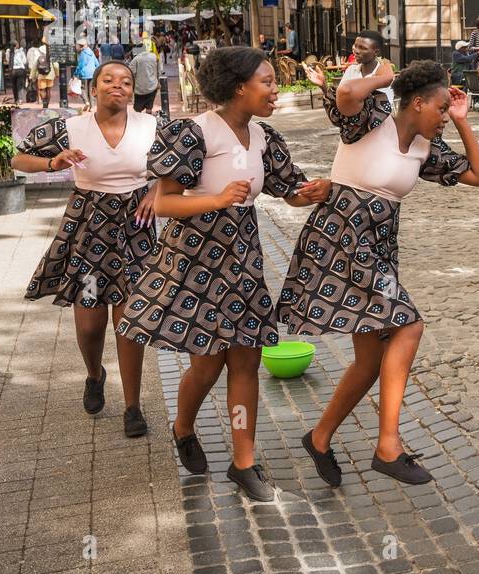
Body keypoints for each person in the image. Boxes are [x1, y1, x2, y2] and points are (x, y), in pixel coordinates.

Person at [116, 47, 330, 501]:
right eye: (267, 82)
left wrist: (309, 194)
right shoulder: (194, 133)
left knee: (246, 359)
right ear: (238, 88)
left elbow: (286, 190)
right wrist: (216, 199)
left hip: (243, 257)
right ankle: (183, 426)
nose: (275, 90)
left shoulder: (264, 137)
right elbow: (164, 202)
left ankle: (243, 461)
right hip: (194, 257)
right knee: (206, 364)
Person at [282, 61, 479, 486]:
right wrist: (384, 76)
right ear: (416, 102)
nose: (443, 118)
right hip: (340, 240)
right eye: (440, 110)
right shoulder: (370, 120)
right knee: (409, 326)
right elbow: (344, 96)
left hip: (377, 249)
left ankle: (319, 437)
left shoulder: (424, 149)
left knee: (368, 361)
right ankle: (387, 445)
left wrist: (464, 122)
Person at [11, 61, 160, 437]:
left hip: (136, 231)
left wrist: (157, 191)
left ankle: (132, 405)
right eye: (108, 80)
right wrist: (52, 161)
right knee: (91, 321)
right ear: (94, 88)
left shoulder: (152, 126)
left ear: (132, 91)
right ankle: (95, 374)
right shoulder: (70, 126)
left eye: (125, 82)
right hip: (90, 232)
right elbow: (17, 159)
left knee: (129, 320)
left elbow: (179, 168)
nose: (117, 86)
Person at [339, 30, 394, 105]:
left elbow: (382, 110)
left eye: (363, 48)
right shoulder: (351, 70)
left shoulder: (384, 76)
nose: (356, 51)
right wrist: (324, 86)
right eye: (355, 46)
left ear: (376, 52)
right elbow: (340, 99)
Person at [128, 43, 160, 113]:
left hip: (140, 89)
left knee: (137, 109)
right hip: (152, 86)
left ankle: (139, 122)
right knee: (149, 107)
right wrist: (158, 82)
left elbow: (130, 73)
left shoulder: (136, 60)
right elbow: (158, 70)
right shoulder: (153, 56)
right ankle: (148, 120)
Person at [74, 40, 99, 110]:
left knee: (83, 89)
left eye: (77, 46)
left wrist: (75, 74)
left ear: (80, 46)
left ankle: (86, 102)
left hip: (84, 73)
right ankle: (92, 106)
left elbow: (80, 65)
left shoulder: (83, 54)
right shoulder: (91, 52)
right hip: (93, 73)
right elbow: (97, 63)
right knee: (91, 89)